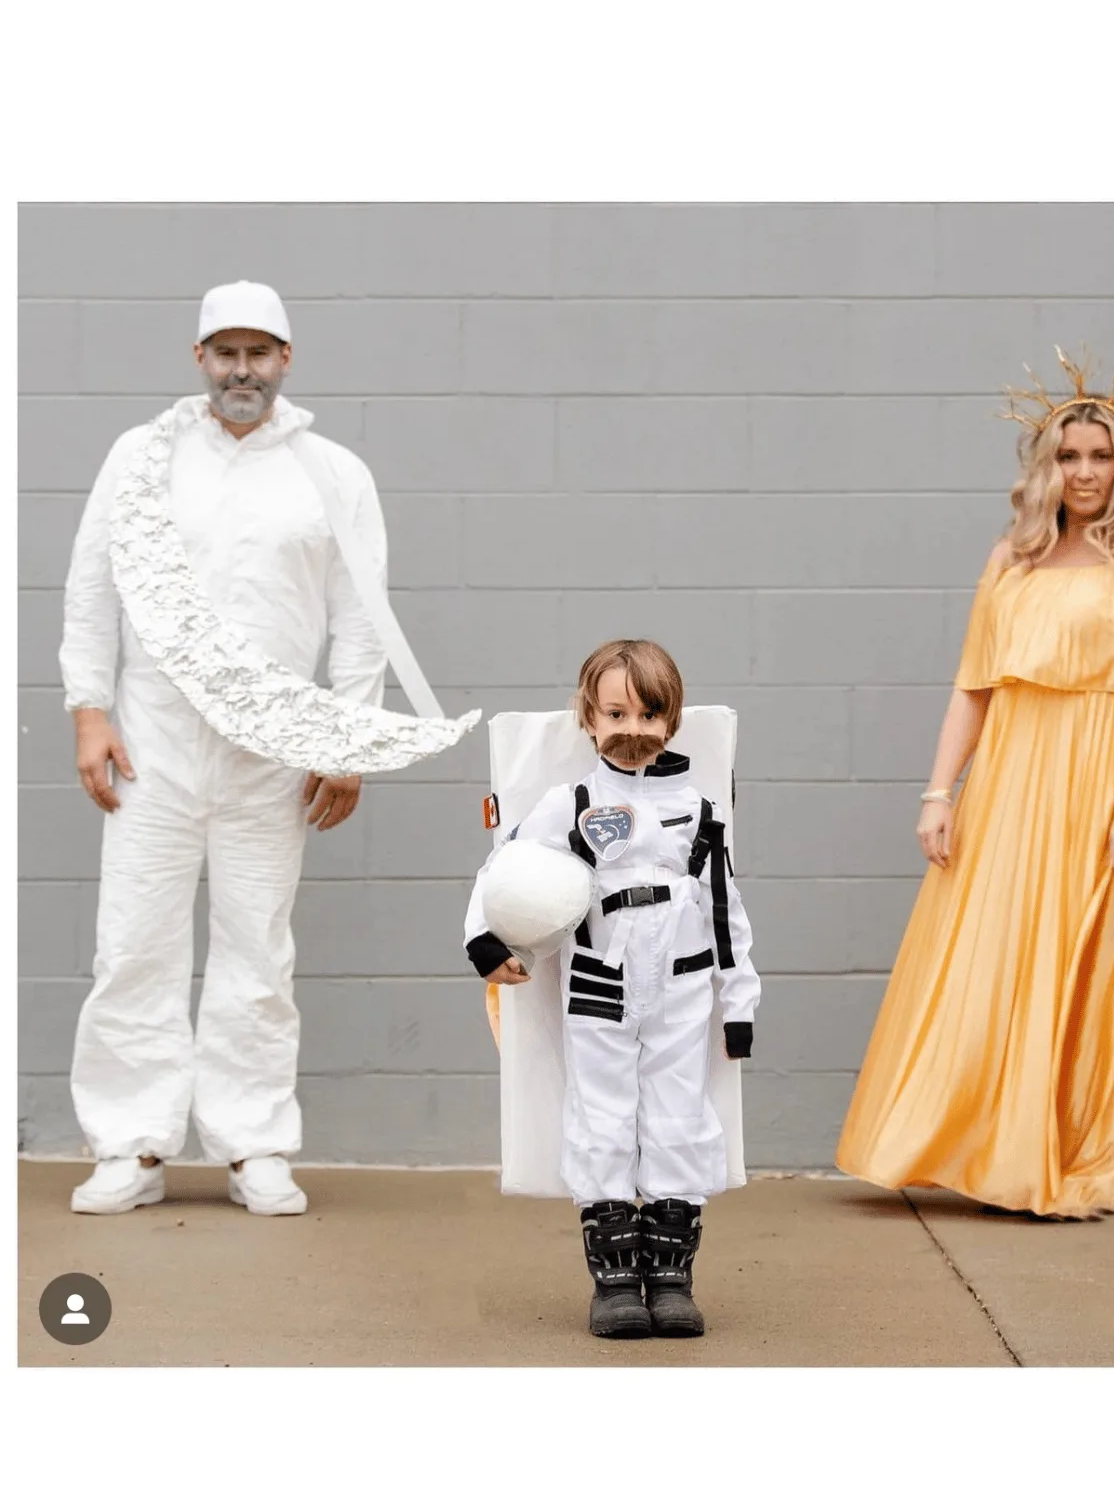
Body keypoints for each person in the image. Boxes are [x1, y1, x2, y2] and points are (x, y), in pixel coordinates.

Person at [60, 280, 469, 1216]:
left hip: (271, 762)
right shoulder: (141, 460)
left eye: (259, 352)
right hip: (150, 753)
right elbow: (92, 587)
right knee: (132, 945)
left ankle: (253, 1147)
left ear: (287, 360)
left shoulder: (333, 474)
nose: (241, 369)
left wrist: (344, 739)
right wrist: (89, 709)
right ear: (198, 358)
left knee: (258, 950)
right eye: (224, 352)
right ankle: (131, 1144)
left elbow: (359, 617)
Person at [836, 350, 1114, 1221]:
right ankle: (972, 1148)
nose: (1085, 472)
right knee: (986, 954)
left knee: (1076, 964)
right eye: (1069, 456)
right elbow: (973, 687)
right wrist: (938, 792)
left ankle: (1054, 1157)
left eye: (1101, 455)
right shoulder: (1013, 556)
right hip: (1009, 778)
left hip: (1097, 777)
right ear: (1046, 468)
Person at [464, 640, 761, 1336]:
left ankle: (671, 1275)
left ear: (673, 720)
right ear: (588, 718)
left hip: (683, 983)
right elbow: (506, 866)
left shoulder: (700, 809)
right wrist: (484, 939)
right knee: (601, 1113)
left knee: (678, 1115)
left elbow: (726, 909)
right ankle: (615, 1279)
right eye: (616, 712)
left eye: (650, 714)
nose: (634, 729)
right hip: (600, 978)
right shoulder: (572, 803)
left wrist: (739, 998)